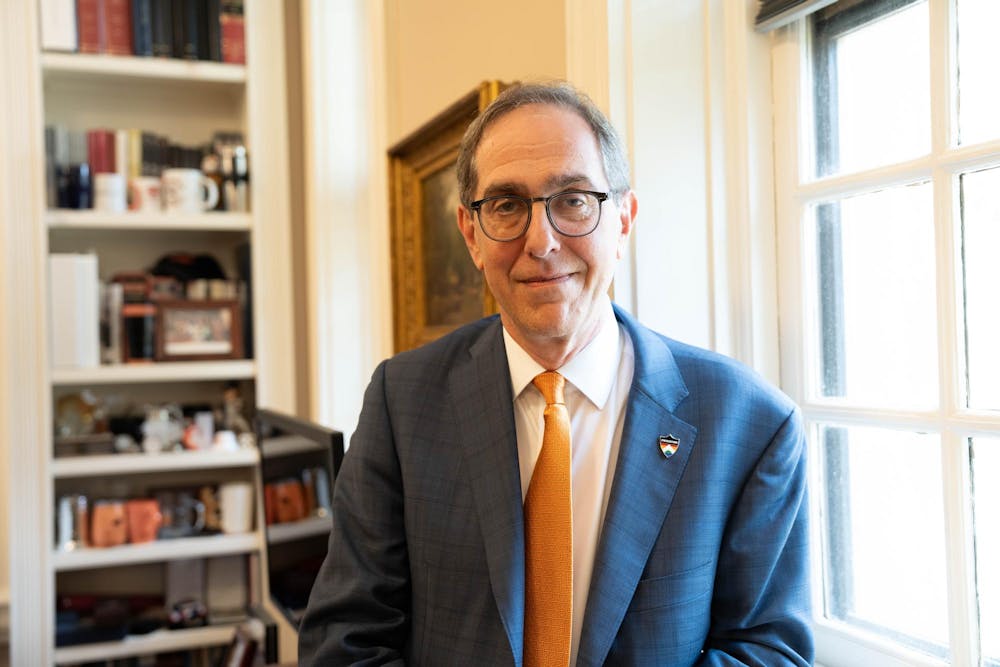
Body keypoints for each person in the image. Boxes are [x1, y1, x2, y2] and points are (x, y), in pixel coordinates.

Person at [298, 81, 812, 666]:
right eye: (506, 205)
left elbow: (768, 653)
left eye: (573, 199)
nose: (540, 242)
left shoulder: (750, 424)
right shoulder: (402, 400)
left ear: (623, 219)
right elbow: (345, 643)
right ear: (471, 234)